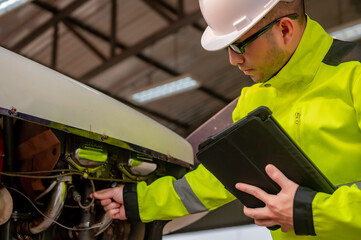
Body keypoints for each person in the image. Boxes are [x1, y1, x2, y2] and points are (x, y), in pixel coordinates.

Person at [92, 0, 361, 239]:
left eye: (238, 44)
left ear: (285, 30)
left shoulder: (354, 76)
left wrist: (310, 210)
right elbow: (217, 180)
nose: (233, 59)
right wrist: (138, 202)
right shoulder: (251, 102)